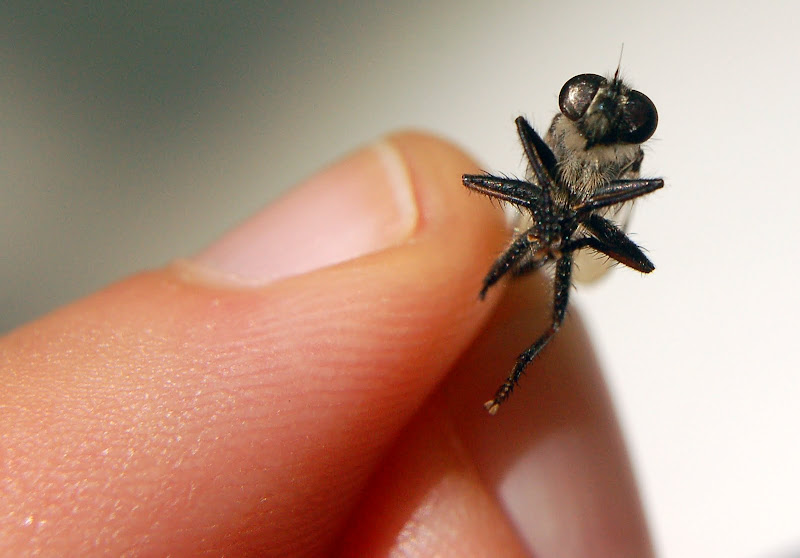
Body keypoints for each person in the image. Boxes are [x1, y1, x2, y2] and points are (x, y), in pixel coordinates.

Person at [0, 133, 653, 556]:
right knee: (485, 260)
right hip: (539, 219)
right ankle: (476, 296)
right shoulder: (564, 146)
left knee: (551, 312)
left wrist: (578, 221)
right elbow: (522, 156)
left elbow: (625, 213)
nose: (603, 115)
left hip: (564, 235)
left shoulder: (620, 172)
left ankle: (508, 366)